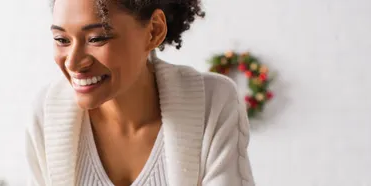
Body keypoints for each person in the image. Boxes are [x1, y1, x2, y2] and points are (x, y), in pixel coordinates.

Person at [25, 0, 255, 185]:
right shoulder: (46, 112)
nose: (73, 63)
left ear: (154, 31)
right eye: (61, 40)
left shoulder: (213, 103)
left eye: (96, 38)